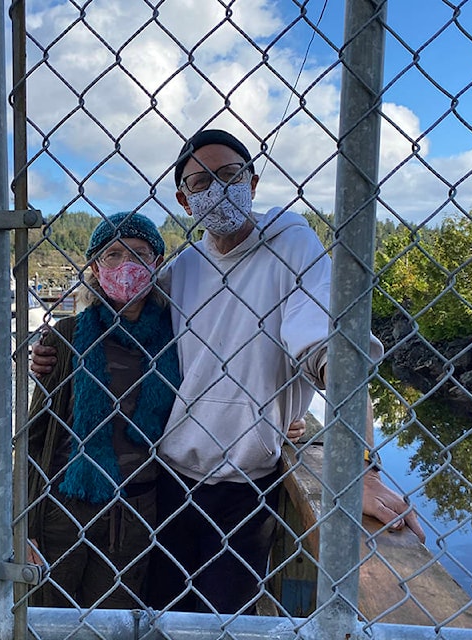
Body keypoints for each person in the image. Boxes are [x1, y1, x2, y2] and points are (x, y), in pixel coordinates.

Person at [32, 129, 424, 613]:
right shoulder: (184, 267)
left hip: (245, 487)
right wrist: (52, 356)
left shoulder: (292, 245)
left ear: (253, 182)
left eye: (229, 175)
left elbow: (333, 350)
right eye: (200, 182)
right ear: (184, 197)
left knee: (224, 615)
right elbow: (128, 326)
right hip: (169, 480)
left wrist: (357, 467)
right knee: (158, 612)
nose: (217, 189)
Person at [26, 212, 181, 609]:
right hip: (63, 506)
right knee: (50, 616)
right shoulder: (66, 337)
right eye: (113, 254)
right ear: (94, 266)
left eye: (139, 253)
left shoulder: (179, 341)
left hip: (134, 512)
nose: (125, 264)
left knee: (113, 621)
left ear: (157, 262)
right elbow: (36, 434)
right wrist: (23, 522)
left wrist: (288, 419)